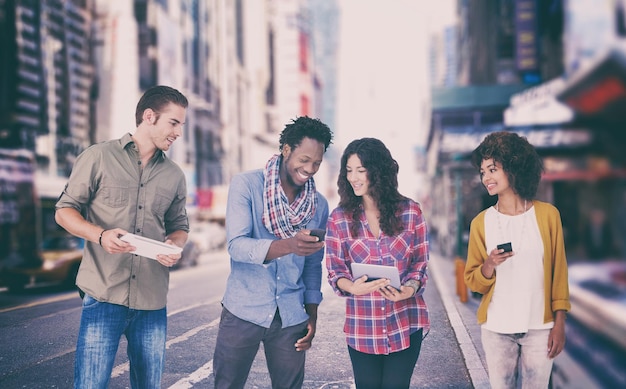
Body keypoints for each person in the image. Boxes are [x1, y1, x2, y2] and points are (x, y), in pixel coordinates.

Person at [55, 85, 190, 388]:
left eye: (182, 125)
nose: (179, 133)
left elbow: (180, 226)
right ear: (149, 116)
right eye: (174, 123)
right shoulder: (98, 157)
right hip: (104, 295)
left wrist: (174, 245)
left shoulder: (175, 176)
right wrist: (101, 236)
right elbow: (64, 211)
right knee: (90, 384)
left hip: (152, 301)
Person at [213, 116, 333, 389]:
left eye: (316, 163)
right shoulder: (247, 185)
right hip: (243, 310)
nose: (310, 169)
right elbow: (237, 246)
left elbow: (313, 264)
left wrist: (311, 313)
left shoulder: (319, 205)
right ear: (286, 149)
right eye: (304, 159)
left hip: (291, 316)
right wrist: (289, 245)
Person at [464, 131, 570, 389]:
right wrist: (489, 265)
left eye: (492, 169)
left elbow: (559, 274)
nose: (486, 178)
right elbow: (474, 283)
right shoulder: (481, 223)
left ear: (513, 167)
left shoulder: (548, 216)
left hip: (540, 328)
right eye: (482, 172)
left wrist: (559, 324)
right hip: (497, 328)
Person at [325, 138, 430, 389]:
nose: (354, 177)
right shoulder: (339, 218)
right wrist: (351, 287)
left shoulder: (410, 211)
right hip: (363, 327)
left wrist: (409, 289)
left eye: (361, 170)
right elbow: (335, 268)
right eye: (349, 170)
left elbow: (420, 263)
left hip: (405, 322)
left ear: (378, 171)